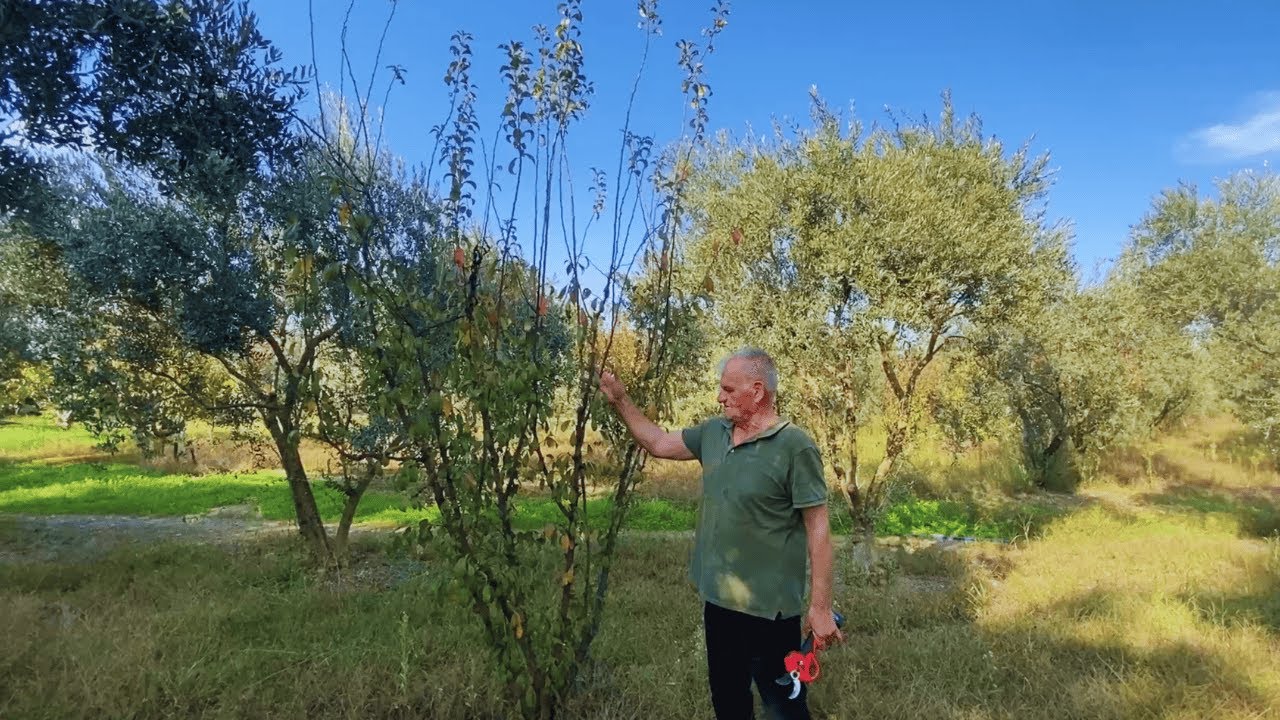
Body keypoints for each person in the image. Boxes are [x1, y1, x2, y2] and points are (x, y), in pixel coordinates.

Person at [598, 347, 843, 720]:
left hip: (770, 612)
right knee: (728, 700)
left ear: (757, 391)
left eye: (729, 389)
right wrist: (620, 400)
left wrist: (821, 607)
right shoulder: (714, 432)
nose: (720, 397)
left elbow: (819, 528)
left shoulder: (795, 447)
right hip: (719, 602)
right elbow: (658, 442)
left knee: (784, 706)